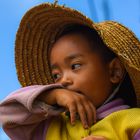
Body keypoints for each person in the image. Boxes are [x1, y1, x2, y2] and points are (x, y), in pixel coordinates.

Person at [0, 2, 140, 140]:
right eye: (56, 75)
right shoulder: (50, 125)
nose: (64, 81)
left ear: (114, 72)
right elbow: (5, 114)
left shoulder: (133, 121)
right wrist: (54, 94)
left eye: (75, 66)